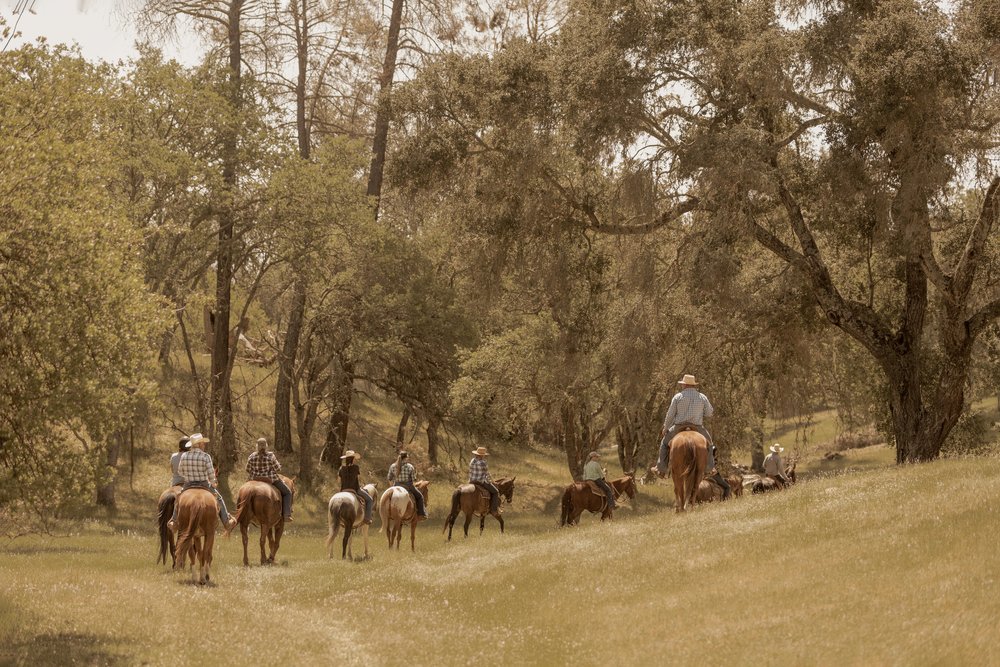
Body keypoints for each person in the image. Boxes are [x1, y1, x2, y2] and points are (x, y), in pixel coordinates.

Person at [168, 433, 237, 533]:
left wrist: (189, 476)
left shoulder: (185, 456)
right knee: (219, 498)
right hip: (204, 484)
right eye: (203, 443)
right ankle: (226, 522)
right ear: (199, 444)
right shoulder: (206, 456)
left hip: (188, 485)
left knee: (178, 498)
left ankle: (174, 522)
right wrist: (213, 483)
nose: (204, 445)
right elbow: (211, 473)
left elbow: (180, 471)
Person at [656, 374, 714, 477]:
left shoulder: (678, 397)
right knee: (709, 444)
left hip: (679, 427)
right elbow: (709, 413)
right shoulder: (702, 397)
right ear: (693, 385)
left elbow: (670, 415)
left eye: (682, 384)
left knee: (664, 443)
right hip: (697, 428)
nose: (682, 386)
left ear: (685, 385)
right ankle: (709, 468)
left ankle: (661, 469)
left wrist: (665, 428)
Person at [246, 437, 293, 522]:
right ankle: (286, 514)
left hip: (255, 479)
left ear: (257, 446)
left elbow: (248, 469)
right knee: (287, 493)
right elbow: (277, 469)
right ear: (266, 446)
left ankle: (243, 513)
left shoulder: (251, 456)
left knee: (244, 494)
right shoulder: (271, 455)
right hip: (270, 479)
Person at [387, 451, 427, 519]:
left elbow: (389, 478)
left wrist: (392, 487)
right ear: (405, 458)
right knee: (420, 497)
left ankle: (388, 512)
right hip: (408, 486)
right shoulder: (410, 466)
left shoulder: (392, 466)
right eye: (407, 457)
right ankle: (421, 514)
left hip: (396, 486)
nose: (408, 459)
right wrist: (418, 483)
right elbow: (413, 480)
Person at [339, 449, 373, 524]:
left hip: (343, 490)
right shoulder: (356, 467)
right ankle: (367, 518)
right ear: (353, 459)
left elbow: (338, 480)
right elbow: (358, 479)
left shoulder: (341, 468)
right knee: (369, 500)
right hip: (355, 489)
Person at [469, 446, 500, 514]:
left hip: (471, 481)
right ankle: (494, 510)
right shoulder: (483, 462)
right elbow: (486, 474)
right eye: (484, 455)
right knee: (495, 492)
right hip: (480, 481)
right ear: (482, 455)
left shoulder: (472, 460)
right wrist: (492, 482)